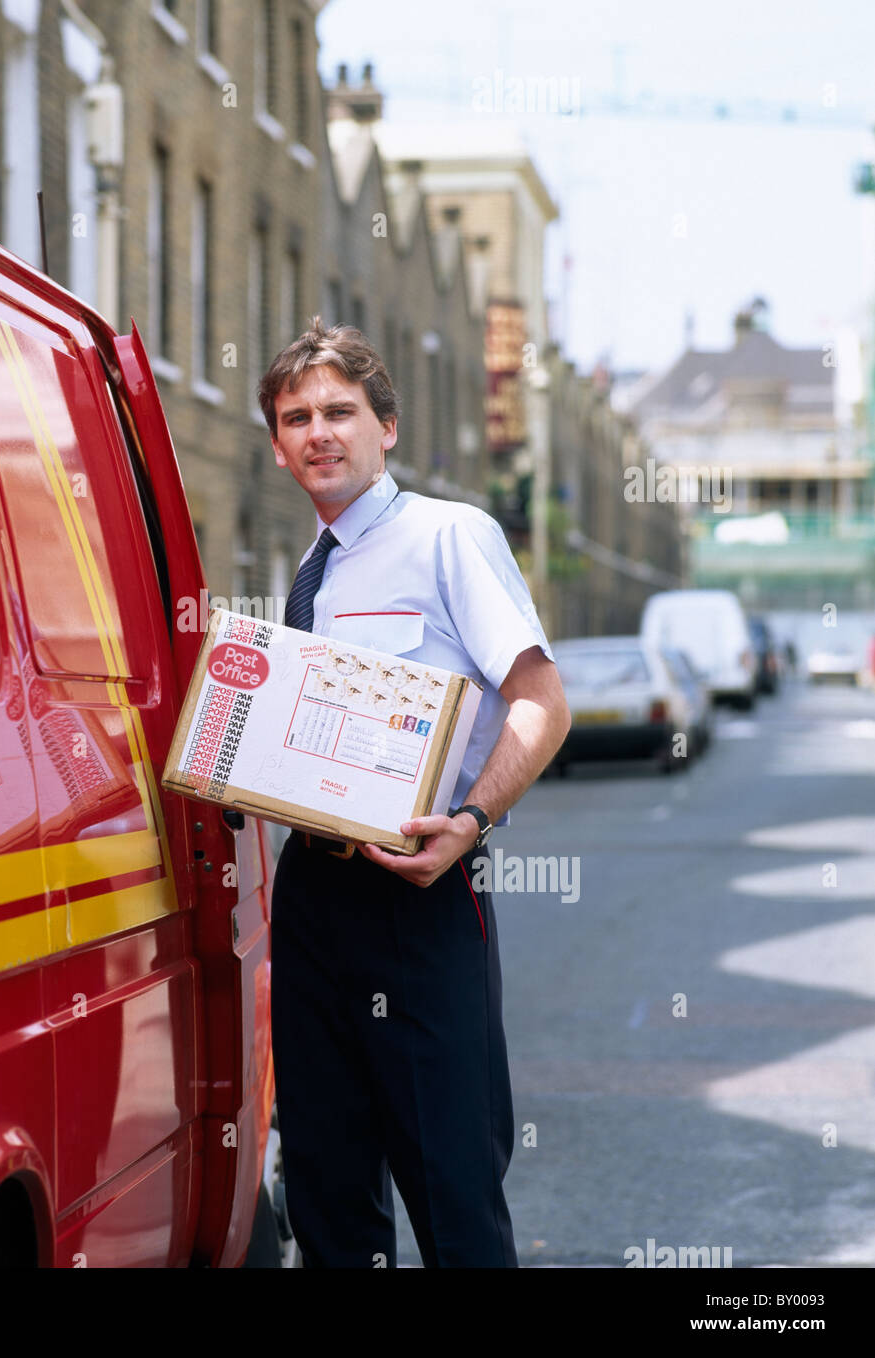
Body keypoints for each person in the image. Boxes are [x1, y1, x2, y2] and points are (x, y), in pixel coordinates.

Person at [259, 317, 571, 1268]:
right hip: (310, 897)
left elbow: (540, 700)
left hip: (419, 893)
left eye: (339, 412)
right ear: (278, 445)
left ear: (384, 426)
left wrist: (471, 822)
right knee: (324, 1183)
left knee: (452, 1195)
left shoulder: (448, 536)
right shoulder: (308, 578)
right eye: (296, 416)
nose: (319, 431)